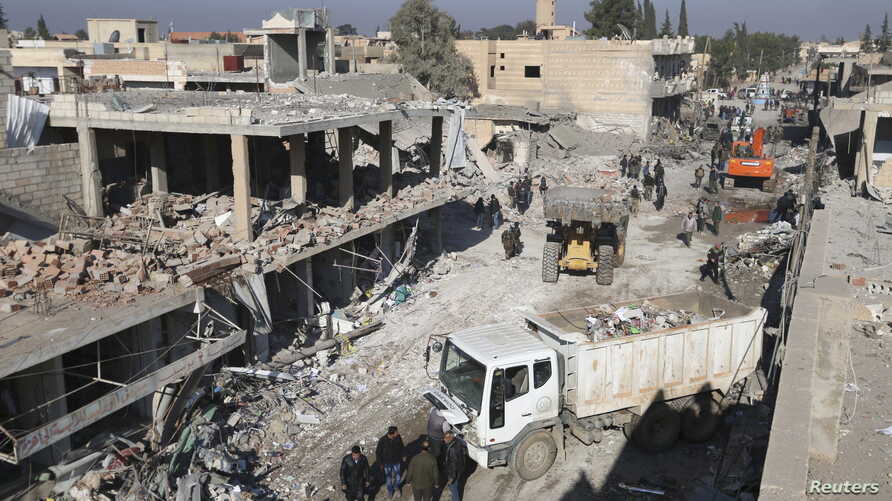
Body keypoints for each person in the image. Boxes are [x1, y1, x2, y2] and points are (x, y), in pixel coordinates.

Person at [376, 426, 406, 499]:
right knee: (389, 479)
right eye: (396, 432)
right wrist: (380, 463)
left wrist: (403, 455)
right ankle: (390, 492)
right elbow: (378, 452)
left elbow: (402, 447)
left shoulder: (398, 438)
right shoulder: (382, 441)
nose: (398, 433)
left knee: (398, 477)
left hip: (396, 461)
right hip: (387, 463)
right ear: (392, 433)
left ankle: (396, 487)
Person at [441, 431, 466, 501]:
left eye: (446, 438)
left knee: (453, 488)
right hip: (458, 470)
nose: (444, 439)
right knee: (454, 487)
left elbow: (454, 464)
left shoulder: (453, 449)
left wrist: (452, 477)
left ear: (450, 437)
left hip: (454, 473)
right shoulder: (456, 442)